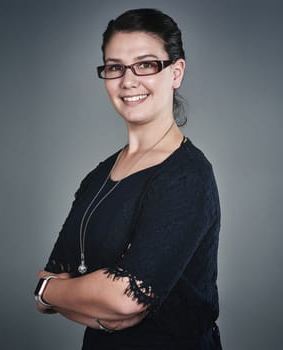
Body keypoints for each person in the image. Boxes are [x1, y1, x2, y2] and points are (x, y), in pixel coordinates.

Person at [34, 8, 222, 350]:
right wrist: (52, 293)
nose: (128, 80)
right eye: (115, 67)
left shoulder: (187, 175)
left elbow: (125, 300)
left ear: (176, 72)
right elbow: (54, 275)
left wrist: (54, 294)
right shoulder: (97, 176)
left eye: (146, 64)